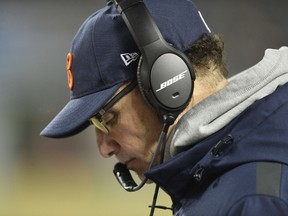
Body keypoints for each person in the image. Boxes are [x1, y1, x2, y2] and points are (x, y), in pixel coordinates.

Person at [41, 0, 288, 215]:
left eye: (108, 119)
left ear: (166, 83)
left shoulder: (257, 201)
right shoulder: (227, 176)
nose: (104, 149)